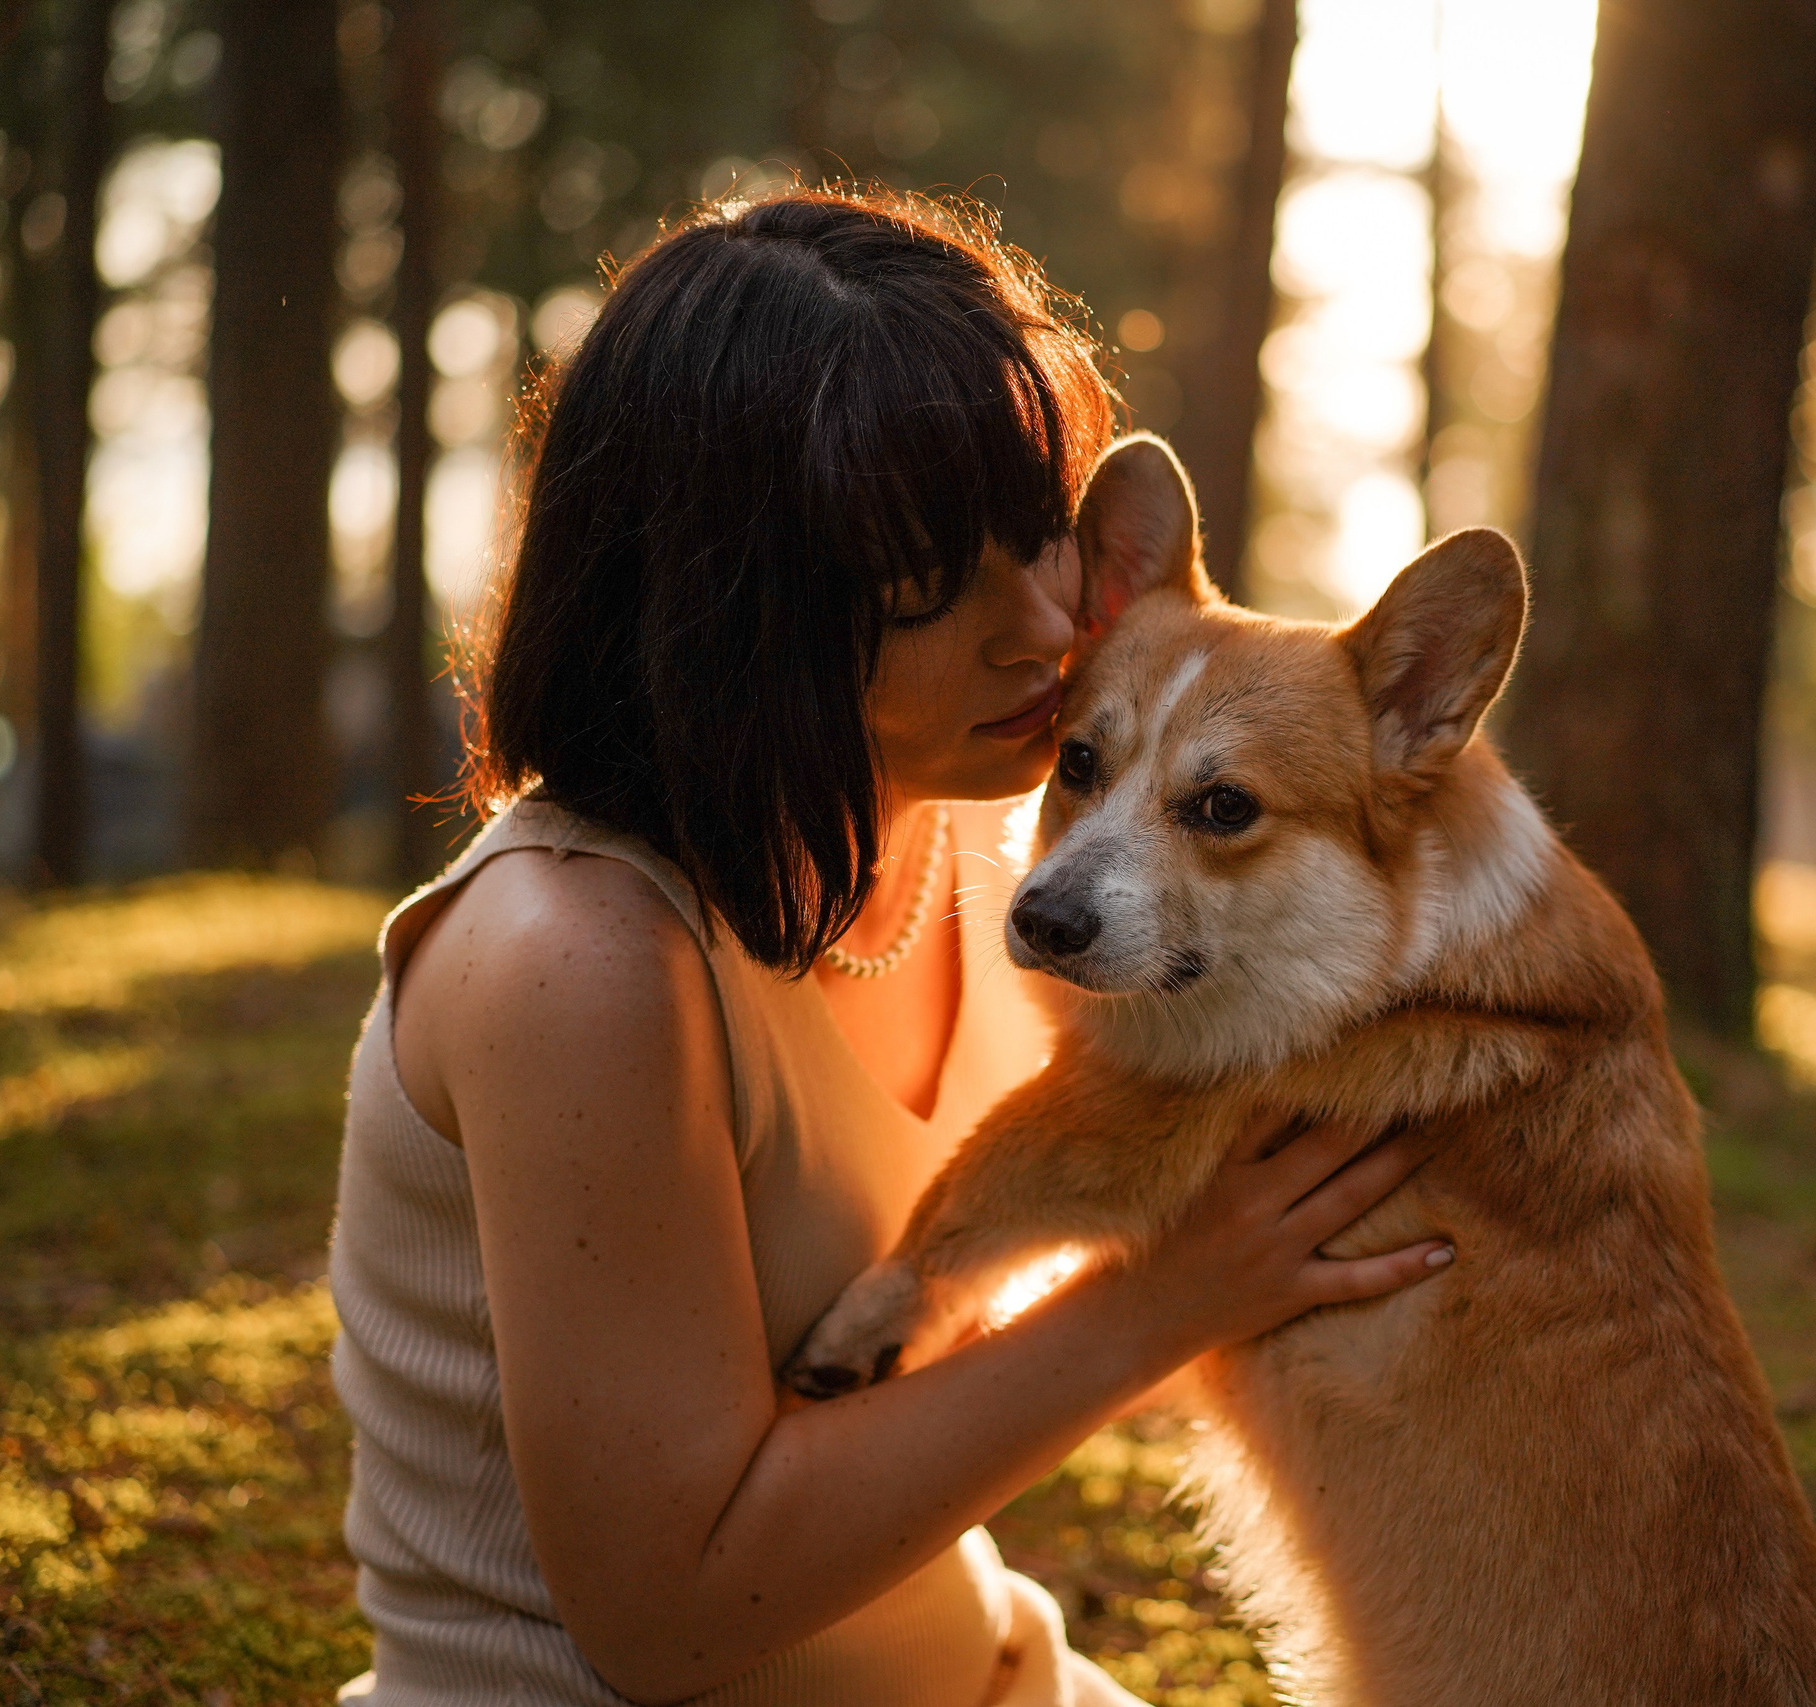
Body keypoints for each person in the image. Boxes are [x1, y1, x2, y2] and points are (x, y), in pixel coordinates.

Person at [327, 186, 1450, 1707]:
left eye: (1035, 541)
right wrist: (1176, 1296)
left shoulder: (998, 851)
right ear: (728, 605)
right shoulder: (577, 960)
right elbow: (674, 1614)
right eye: (929, 586)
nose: (1043, 632)